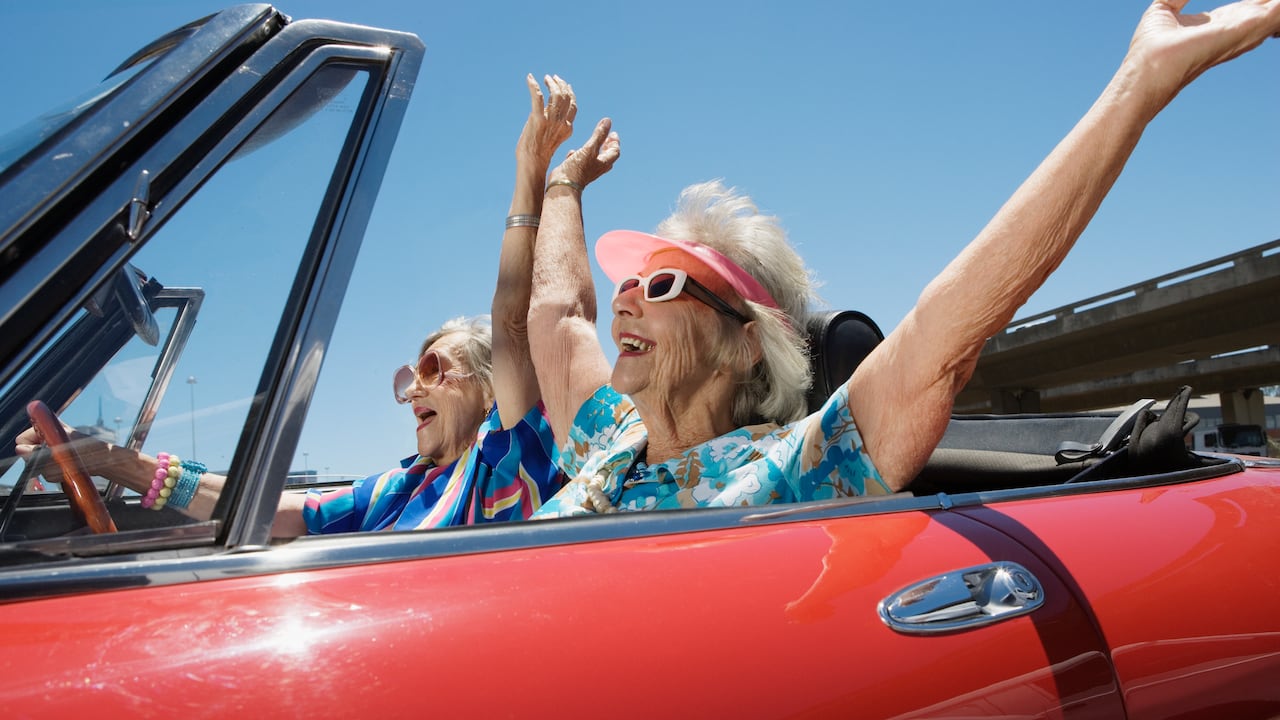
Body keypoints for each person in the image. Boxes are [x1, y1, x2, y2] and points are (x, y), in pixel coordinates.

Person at [525, 0, 1280, 516]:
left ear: (743, 340)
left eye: (663, 284)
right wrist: (561, 182)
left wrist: (1139, 86)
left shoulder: (794, 469)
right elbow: (558, 316)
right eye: (627, 282)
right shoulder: (611, 434)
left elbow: (943, 335)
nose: (624, 296)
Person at [15, 74, 577, 537]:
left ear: (490, 388)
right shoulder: (404, 485)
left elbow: (511, 318)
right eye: (410, 375)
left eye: (434, 370)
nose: (414, 389)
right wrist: (113, 461)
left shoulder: (507, 456)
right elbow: (284, 513)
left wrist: (532, 173)